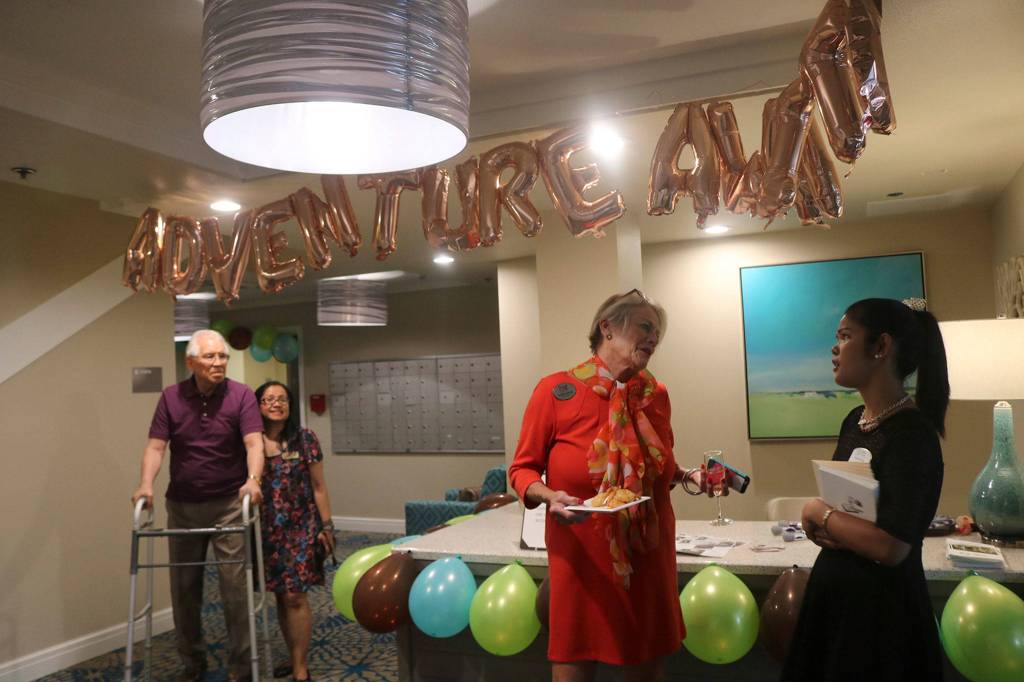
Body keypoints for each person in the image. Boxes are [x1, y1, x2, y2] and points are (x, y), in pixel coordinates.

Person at [508, 289, 715, 682]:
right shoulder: (555, 391)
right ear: (607, 328)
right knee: (575, 663)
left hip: (646, 556)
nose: (654, 337)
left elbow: (652, 465)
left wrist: (687, 475)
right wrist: (549, 496)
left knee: (646, 664)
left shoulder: (656, 396)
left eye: (657, 332)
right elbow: (522, 470)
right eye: (645, 327)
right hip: (581, 558)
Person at [782, 297, 950, 681]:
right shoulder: (854, 421)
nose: (834, 347)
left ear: (881, 347)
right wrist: (838, 522)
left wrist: (818, 514)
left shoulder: (912, 437)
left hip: (881, 619)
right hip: (836, 604)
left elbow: (890, 546)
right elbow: (852, 513)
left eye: (845, 336)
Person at [131, 329, 265, 682]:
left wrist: (253, 479)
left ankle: (241, 668)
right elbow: (156, 447)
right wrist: (145, 484)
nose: (219, 363)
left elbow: (254, 443)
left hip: (228, 505)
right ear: (191, 362)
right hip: (183, 506)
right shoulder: (171, 398)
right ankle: (192, 663)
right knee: (184, 589)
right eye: (210, 357)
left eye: (222, 356)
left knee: (235, 590)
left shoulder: (241, 395)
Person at [254, 381, 334, 682]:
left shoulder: (305, 438)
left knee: (295, 597)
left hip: (302, 528)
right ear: (258, 405)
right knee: (280, 596)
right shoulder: (252, 442)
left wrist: (327, 526)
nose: (276, 404)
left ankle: (301, 669)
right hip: (266, 531)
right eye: (268, 399)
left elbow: (319, 486)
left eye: (282, 399)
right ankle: (294, 656)